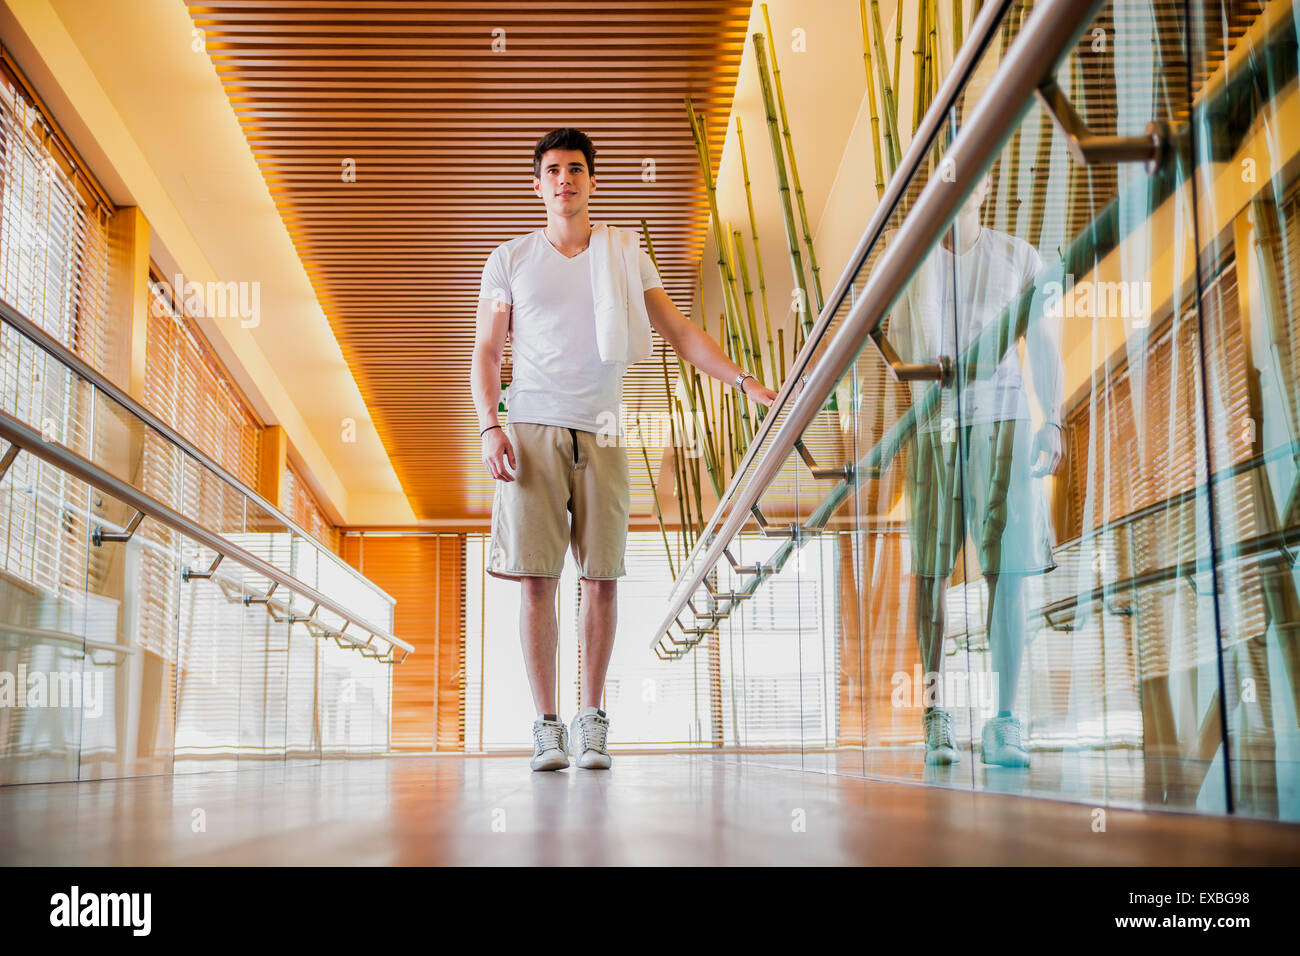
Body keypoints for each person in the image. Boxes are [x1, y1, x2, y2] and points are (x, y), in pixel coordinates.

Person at [471, 128, 777, 772]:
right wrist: (489, 426)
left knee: (602, 576)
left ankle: (591, 721)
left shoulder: (623, 251)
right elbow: (487, 353)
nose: (564, 180)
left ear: (591, 180)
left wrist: (743, 380)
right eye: (552, 170)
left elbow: (677, 329)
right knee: (536, 580)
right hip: (530, 425)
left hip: (605, 428)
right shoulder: (510, 259)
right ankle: (547, 726)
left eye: (576, 169)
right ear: (537, 184)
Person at [889, 171, 1064, 768]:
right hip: (935, 428)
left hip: (1005, 421)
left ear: (987, 183)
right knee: (930, 573)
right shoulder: (912, 261)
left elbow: (1041, 342)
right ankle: (936, 714)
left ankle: (1006, 719)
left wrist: (1054, 418)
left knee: (1006, 571)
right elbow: (892, 351)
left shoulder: (1017, 256)